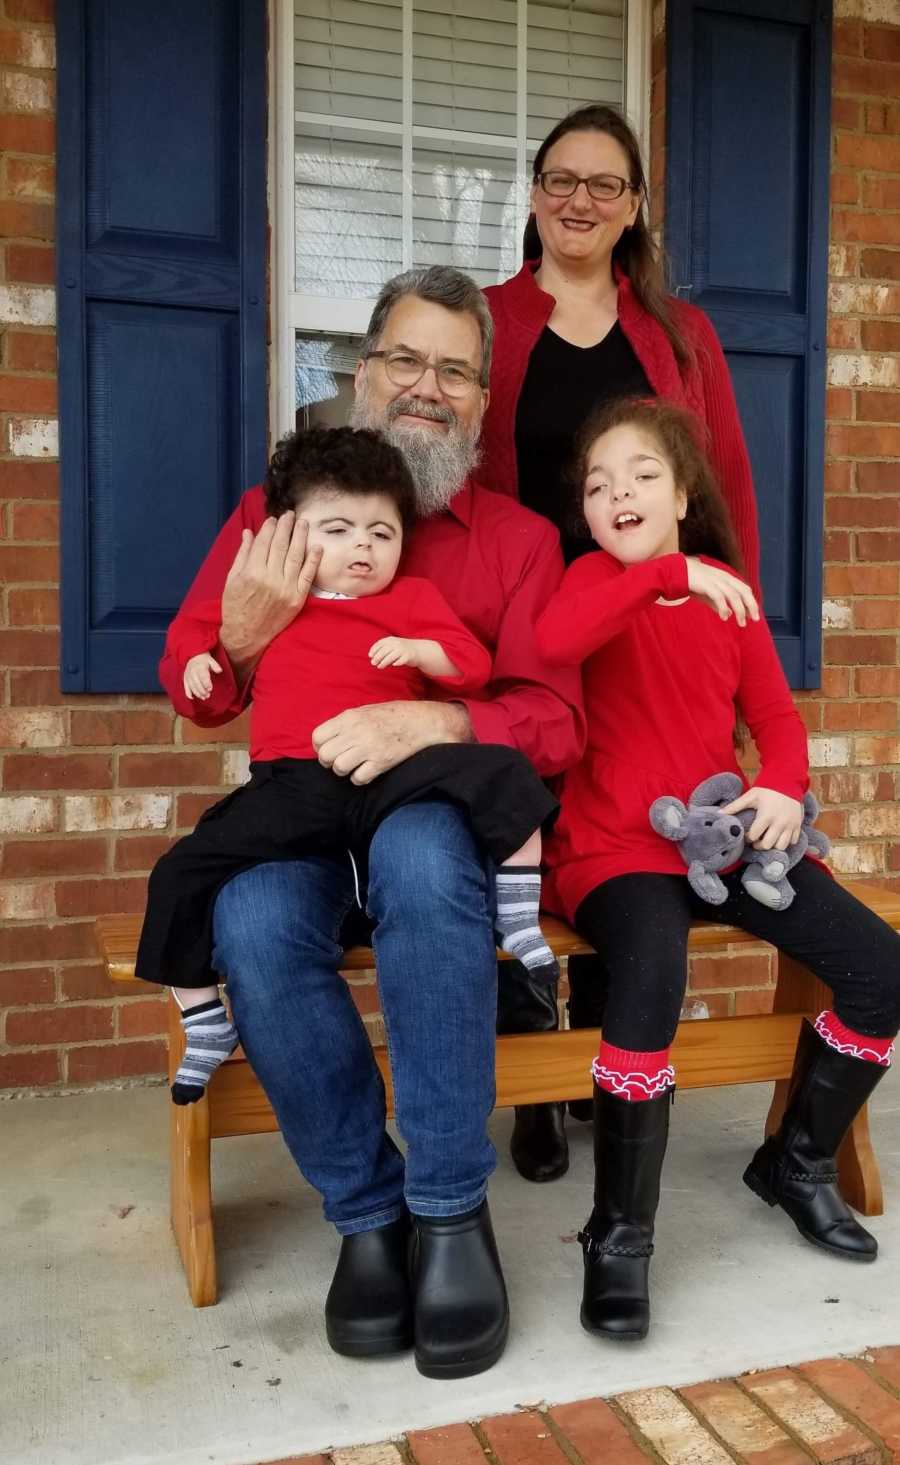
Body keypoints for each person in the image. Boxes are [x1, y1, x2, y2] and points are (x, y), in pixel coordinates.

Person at [158, 265, 584, 1380]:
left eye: (455, 369)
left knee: (430, 849)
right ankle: (366, 1212)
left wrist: (436, 718)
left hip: (419, 821)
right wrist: (243, 639)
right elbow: (198, 681)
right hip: (299, 816)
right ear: (362, 372)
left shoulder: (519, 544)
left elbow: (551, 718)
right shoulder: (278, 515)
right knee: (249, 920)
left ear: (484, 402)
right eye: (405, 358)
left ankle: (447, 1209)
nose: (426, 387)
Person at [534, 397, 900, 1342]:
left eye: (642, 474)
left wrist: (780, 784)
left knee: (880, 967)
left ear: (684, 491)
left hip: (720, 831)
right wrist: (664, 572)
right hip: (613, 846)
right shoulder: (585, 582)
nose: (619, 492)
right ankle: (618, 1237)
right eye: (599, 483)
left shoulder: (726, 596)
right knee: (652, 972)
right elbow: (554, 646)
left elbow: (775, 719)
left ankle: (798, 1163)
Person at [479, 101, 763, 1184]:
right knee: (518, 826)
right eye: (561, 179)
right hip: (527, 621)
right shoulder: (494, 319)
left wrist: (732, 620)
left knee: (621, 837)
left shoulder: (680, 335)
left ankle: (604, 1060)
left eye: (606, 183)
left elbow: (722, 482)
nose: (580, 200)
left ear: (635, 204)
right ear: (536, 193)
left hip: (650, 631)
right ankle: (535, 1082)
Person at [139, 425, 559, 1103]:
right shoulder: (278, 597)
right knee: (182, 872)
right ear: (293, 534)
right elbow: (200, 637)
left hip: (385, 779)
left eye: (382, 534)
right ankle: (203, 1016)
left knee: (504, 772)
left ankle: (517, 913)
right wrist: (203, 656)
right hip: (293, 784)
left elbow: (473, 666)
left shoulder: (411, 601)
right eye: (338, 530)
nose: (362, 546)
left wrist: (422, 652)